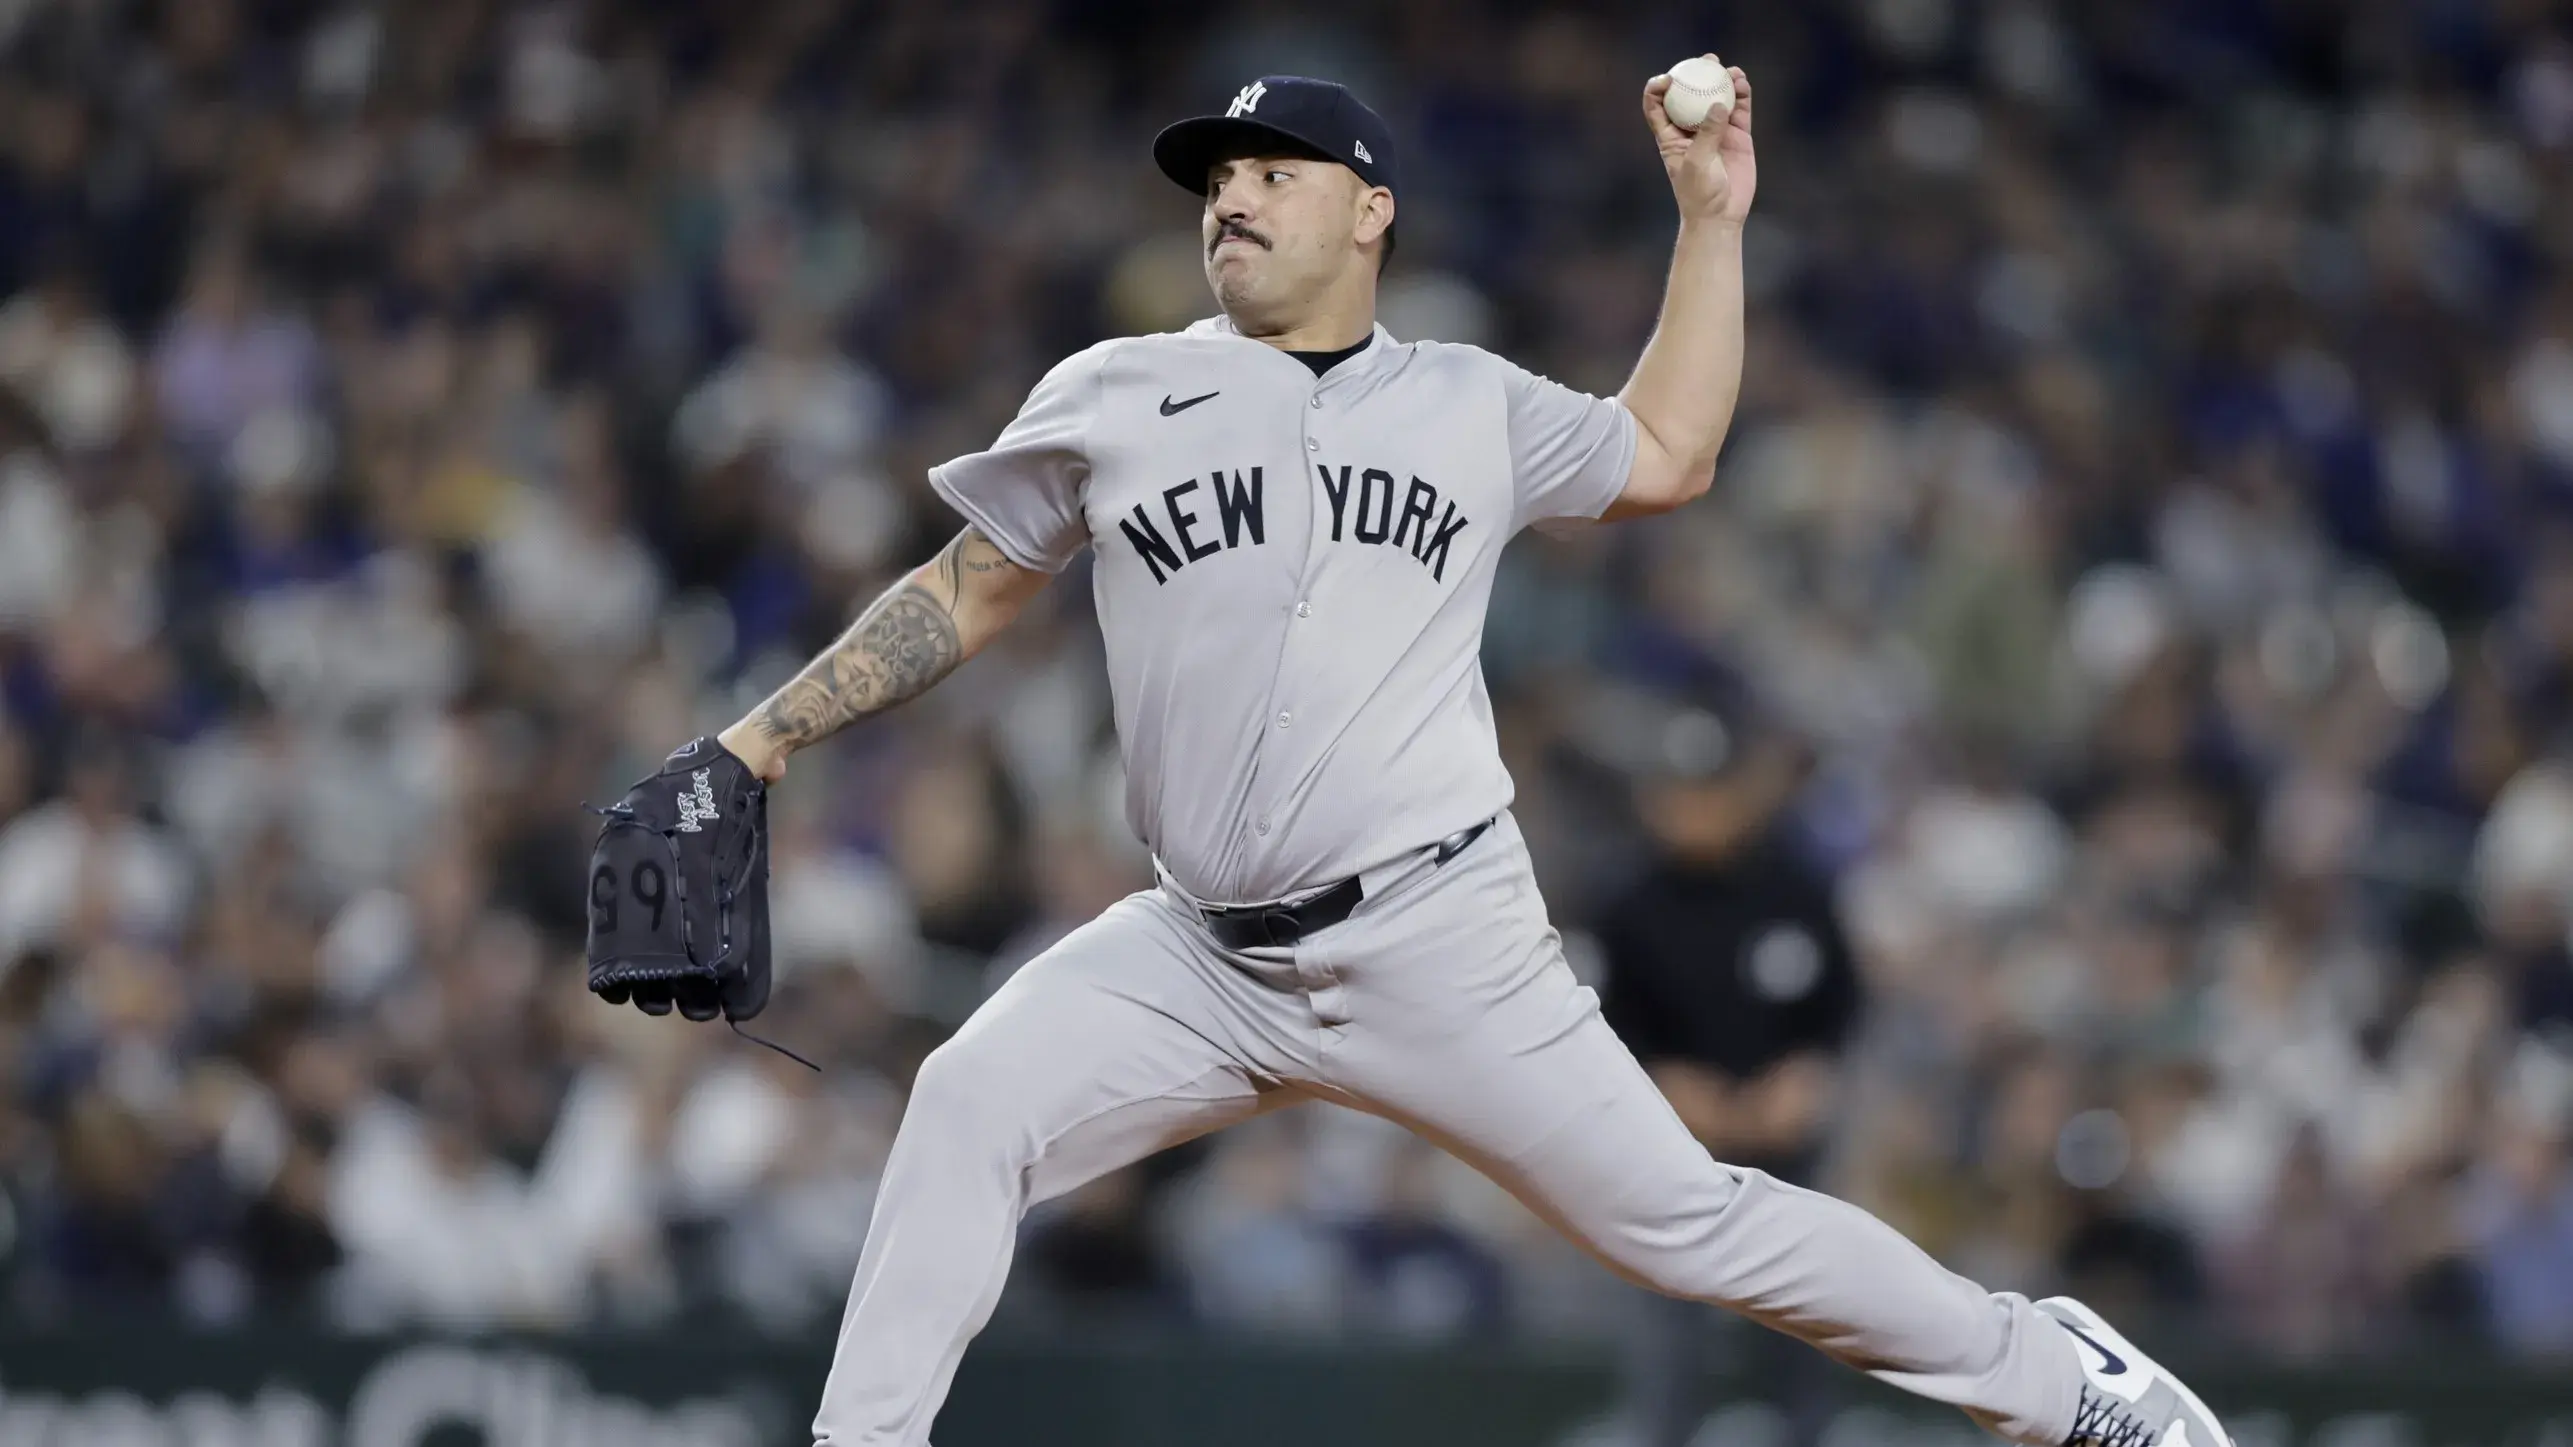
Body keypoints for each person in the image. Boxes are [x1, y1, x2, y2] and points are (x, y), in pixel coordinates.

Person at [693, 65, 2226, 1447]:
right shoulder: (1114, 391)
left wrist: (1709, 221)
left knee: (1691, 1225)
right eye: (1216, 176)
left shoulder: (1465, 401)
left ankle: (2056, 1379)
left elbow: (1671, 453)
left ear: (1371, 210)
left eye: (1273, 168)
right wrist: (760, 736)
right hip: (1196, 950)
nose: (1230, 194)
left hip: (1437, 931)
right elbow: (969, 584)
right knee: (968, 1097)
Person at [1594, 690, 1860, 1446]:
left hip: (1787, 1148)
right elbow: (1601, 1020)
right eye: (1680, 793)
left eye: (1709, 791)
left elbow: (1841, 1003)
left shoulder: (1794, 887)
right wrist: (1664, 1084)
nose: (1695, 809)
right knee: (1669, 1352)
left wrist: (1810, 1070)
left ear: (1740, 794)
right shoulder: (1629, 903)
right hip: (1670, 1151)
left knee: (1803, 1340)